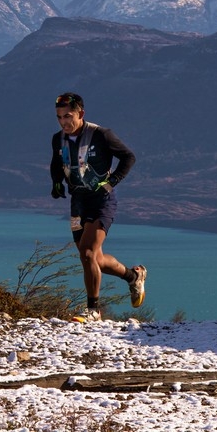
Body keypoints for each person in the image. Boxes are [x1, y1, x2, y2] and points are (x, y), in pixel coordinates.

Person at [50, 91, 146, 322]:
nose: (64, 122)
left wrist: (111, 183)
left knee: (88, 253)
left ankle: (93, 310)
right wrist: (56, 182)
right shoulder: (58, 139)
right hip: (78, 202)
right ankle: (134, 277)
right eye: (59, 117)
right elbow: (56, 161)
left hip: (102, 201)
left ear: (81, 113)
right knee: (94, 260)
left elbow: (128, 157)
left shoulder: (101, 135)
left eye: (68, 116)